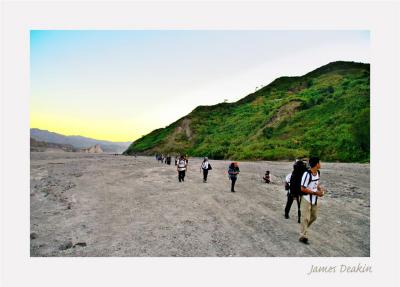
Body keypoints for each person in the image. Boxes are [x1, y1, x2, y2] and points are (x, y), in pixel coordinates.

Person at [299, 157, 325, 245]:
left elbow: (316, 184)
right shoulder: (307, 174)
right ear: (316, 164)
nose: (320, 164)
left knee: (314, 216)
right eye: (319, 162)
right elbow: (302, 188)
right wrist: (316, 193)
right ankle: (303, 236)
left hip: (314, 199)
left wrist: (320, 189)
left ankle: (304, 229)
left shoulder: (318, 172)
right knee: (305, 218)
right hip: (306, 199)